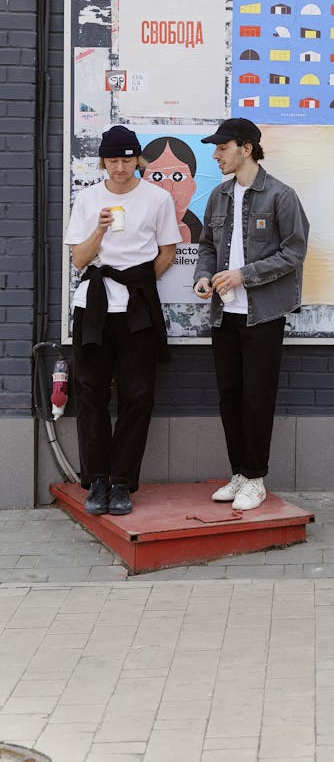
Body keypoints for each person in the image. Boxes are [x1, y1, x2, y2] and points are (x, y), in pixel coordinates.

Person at [193, 118, 309, 512]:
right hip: (224, 314)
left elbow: (294, 253)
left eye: (222, 147)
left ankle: (256, 478)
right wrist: (204, 275)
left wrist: (245, 275)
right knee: (229, 397)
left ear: (245, 148)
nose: (216, 154)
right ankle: (239, 473)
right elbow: (207, 245)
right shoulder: (218, 196)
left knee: (257, 398)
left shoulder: (281, 196)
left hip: (262, 315)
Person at [65, 125, 181, 516]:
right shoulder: (86, 199)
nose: (120, 167)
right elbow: (79, 259)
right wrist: (98, 230)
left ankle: (122, 482)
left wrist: (139, 285)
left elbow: (167, 251)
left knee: (138, 395)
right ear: (103, 161)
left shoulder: (157, 198)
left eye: (127, 159)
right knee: (90, 392)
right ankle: (96, 480)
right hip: (93, 305)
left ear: (137, 160)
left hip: (136, 309)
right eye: (113, 160)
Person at [141, 135, 203, 243]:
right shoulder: (135, 229)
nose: (167, 188)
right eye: (156, 177)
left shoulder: (202, 234)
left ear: (192, 186)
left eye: (178, 177)